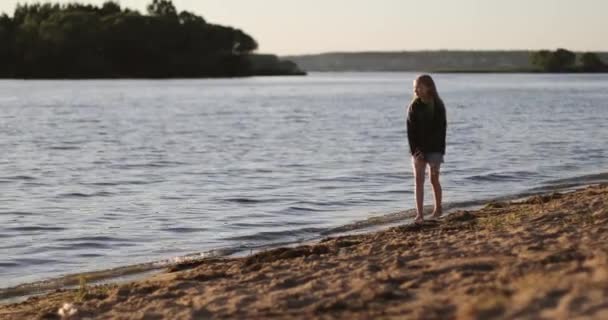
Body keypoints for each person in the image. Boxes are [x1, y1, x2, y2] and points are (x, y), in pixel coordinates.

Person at [406, 74, 447, 223]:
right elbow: (410, 131)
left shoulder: (438, 105)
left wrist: (439, 151)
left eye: (419, 87)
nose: (416, 90)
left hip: (435, 149)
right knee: (418, 180)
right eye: (414, 87)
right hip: (418, 149)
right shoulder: (414, 106)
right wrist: (415, 151)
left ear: (428, 87)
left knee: (434, 178)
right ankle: (419, 214)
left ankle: (438, 209)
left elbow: (441, 131)